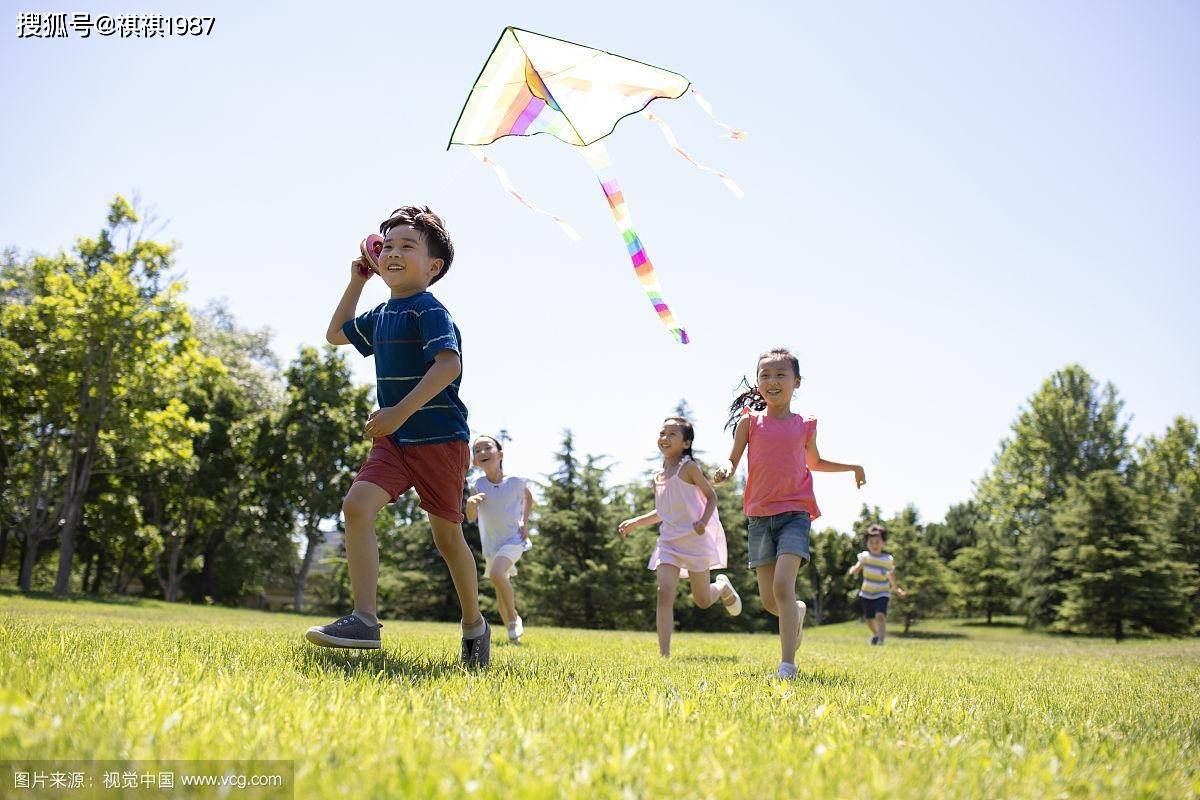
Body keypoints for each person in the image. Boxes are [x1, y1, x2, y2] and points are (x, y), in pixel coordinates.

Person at [305, 205, 491, 667]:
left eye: (407, 246)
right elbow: (335, 334)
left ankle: (474, 624)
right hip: (395, 441)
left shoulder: (429, 310)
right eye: (386, 245)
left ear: (433, 267)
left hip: (440, 439)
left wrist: (397, 412)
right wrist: (357, 281)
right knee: (356, 506)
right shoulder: (382, 312)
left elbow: (449, 366)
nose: (392, 252)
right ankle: (365, 621)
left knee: (448, 539)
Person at [713, 348, 866, 680]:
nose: (772, 381)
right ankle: (796, 613)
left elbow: (815, 463)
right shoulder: (749, 423)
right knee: (772, 601)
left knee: (784, 585)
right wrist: (725, 470)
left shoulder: (804, 425)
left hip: (795, 514)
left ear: (797, 382)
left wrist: (852, 466)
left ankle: (787, 667)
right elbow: (733, 460)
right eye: (765, 375)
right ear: (757, 383)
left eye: (781, 375)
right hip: (758, 517)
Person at [619, 417, 741, 657]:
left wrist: (703, 522)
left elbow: (712, 497)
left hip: (695, 540)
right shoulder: (658, 476)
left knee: (703, 600)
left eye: (672, 434)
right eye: (662, 433)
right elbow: (663, 512)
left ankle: (722, 586)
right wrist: (636, 521)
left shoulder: (689, 468)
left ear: (686, 443)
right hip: (669, 542)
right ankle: (664, 654)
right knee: (664, 592)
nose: (665, 438)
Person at [465, 435, 534, 644]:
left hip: (513, 540)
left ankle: (514, 618)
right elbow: (471, 518)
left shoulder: (515, 482)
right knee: (500, 590)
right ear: (475, 460)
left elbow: (528, 498)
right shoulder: (477, 484)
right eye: (478, 450)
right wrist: (470, 503)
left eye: (488, 447)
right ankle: (514, 639)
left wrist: (524, 521)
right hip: (492, 546)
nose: (483, 452)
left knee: (497, 573)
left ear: (500, 454)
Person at [847, 523, 908, 645]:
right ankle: (876, 634)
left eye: (877, 542)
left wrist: (896, 589)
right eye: (871, 542)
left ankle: (881, 640)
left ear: (883, 543)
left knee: (880, 615)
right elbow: (858, 567)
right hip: (866, 593)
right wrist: (853, 570)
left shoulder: (887, 560)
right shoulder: (865, 557)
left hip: (882, 592)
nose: (874, 545)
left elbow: (890, 575)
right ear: (867, 544)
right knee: (869, 619)